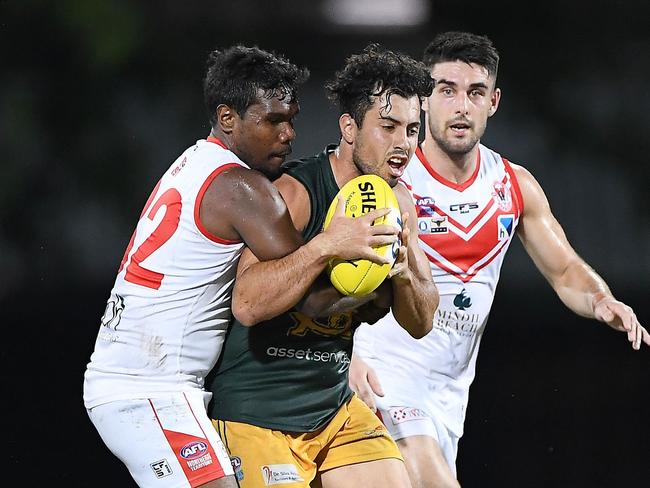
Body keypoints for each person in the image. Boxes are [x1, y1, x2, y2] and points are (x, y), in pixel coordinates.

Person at [82, 45, 398, 488]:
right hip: (150, 388)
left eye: (292, 118)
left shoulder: (193, 161)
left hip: (141, 380)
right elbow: (308, 298)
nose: (288, 133)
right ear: (228, 118)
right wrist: (342, 252)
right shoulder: (246, 189)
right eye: (272, 120)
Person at [350, 31, 650, 488]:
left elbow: (565, 267)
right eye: (446, 91)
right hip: (386, 374)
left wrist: (600, 299)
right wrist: (347, 355)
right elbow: (336, 269)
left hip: (450, 389)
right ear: (425, 100)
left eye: (475, 93)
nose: (462, 106)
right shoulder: (389, 179)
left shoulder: (514, 185)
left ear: (493, 101)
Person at [206, 44, 438, 488]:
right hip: (260, 412)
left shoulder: (399, 203)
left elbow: (423, 319)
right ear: (349, 127)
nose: (403, 144)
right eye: (388, 127)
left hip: (333, 409)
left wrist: (406, 272)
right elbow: (248, 304)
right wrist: (327, 245)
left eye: (412, 130)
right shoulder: (295, 191)